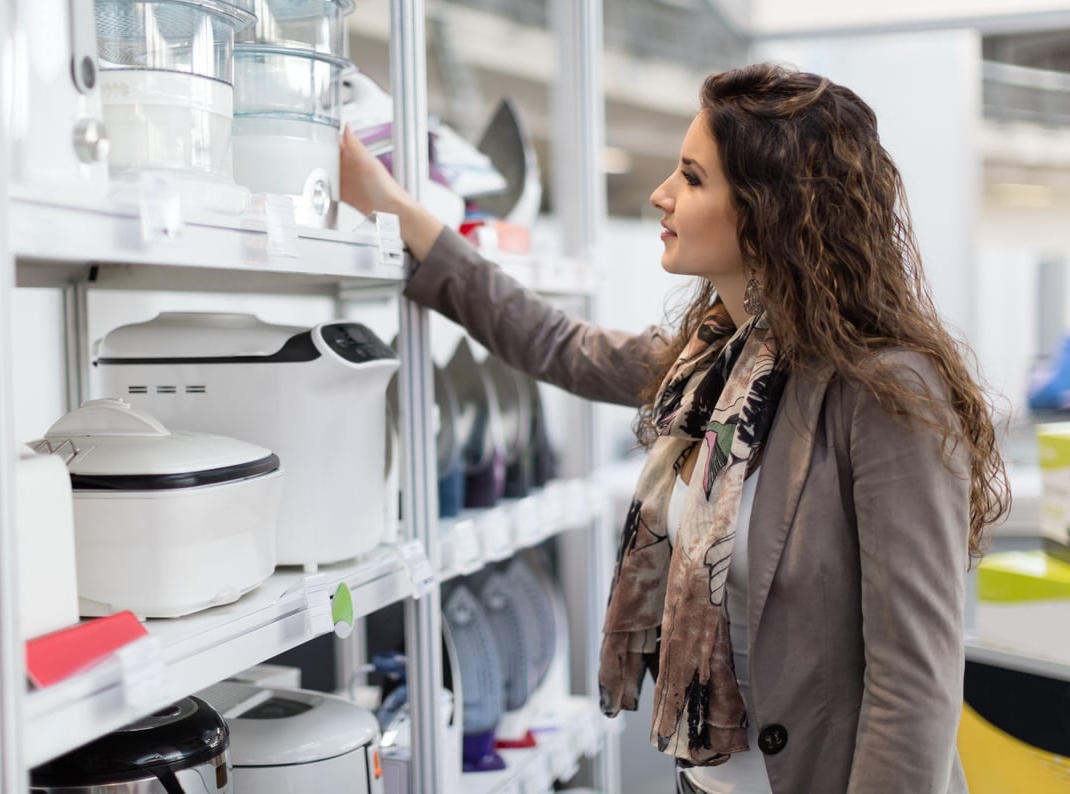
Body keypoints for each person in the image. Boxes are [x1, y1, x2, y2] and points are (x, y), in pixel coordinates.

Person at [339, 62, 1010, 794]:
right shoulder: (716, 363)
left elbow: (914, 686)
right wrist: (396, 210)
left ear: (768, 208)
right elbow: (556, 343)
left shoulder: (886, 392)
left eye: (692, 178)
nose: (661, 194)